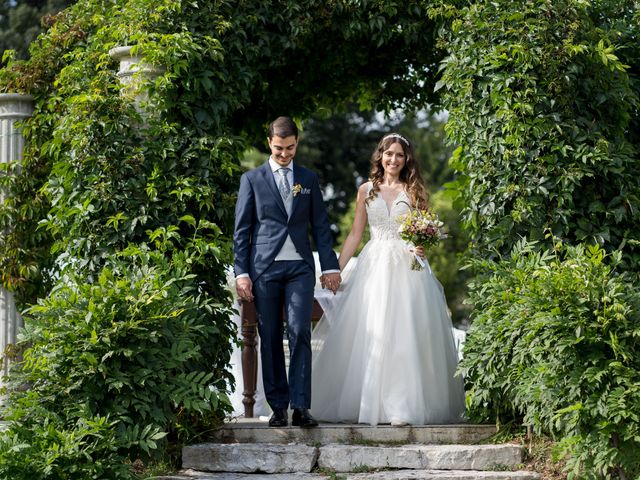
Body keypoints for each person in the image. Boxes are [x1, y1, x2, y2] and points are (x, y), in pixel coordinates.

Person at [310, 133, 466, 426]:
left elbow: (424, 230)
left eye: (400, 155)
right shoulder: (366, 190)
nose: (394, 160)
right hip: (375, 263)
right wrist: (336, 270)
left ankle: (401, 406)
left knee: (404, 332)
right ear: (380, 156)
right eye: (389, 154)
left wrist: (423, 246)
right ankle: (369, 403)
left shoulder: (414, 191)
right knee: (373, 329)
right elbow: (355, 234)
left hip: (408, 264)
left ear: (407, 160)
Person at [233, 116, 341, 428]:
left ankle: (301, 406)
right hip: (264, 267)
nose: (284, 154)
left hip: (300, 268)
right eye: (279, 148)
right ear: (269, 143)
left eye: (290, 148)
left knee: (299, 332)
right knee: (268, 335)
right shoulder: (251, 180)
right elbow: (242, 232)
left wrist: (330, 266)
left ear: (297, 143)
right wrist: (242, 273)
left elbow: (321, 225)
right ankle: (278, 407)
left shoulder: (307, 178)